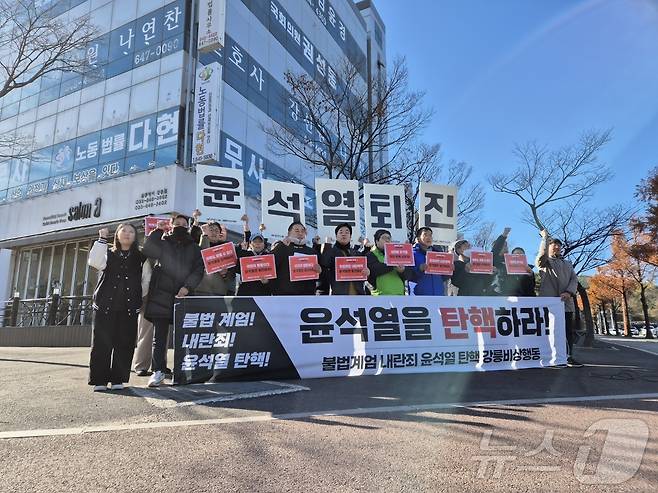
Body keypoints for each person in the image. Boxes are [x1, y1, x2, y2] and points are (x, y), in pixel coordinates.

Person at [143, 214, 204, 387]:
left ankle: (183, 371)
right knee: (159, 338)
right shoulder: (163, 242)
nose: (180, 226)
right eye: (177, 223)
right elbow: (148, 251)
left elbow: (198, 270)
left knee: (184, 337)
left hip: (183, 295)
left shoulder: (194, 247)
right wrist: (157, 231)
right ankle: (158, 371)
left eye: (184, 224)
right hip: (161, 295)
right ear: (171, 225)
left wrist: (188, 287)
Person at [87, 224, 151, 391]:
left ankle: (118, 379)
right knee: (102, 343)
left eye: (131, 232)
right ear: (117, 235)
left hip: (129, 307)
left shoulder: (141, 257)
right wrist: (102, 240)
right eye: (124, 231)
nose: (127, 234)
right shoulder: (108, 252)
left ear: (135, 237)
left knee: (125, 343)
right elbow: (95, 262)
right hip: (104, 305)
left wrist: (136, 296)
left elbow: (146, 280)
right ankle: (99, 380)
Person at [536, 229, 582, 368]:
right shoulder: (545, 262)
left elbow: (574, 279)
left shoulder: (568, 263)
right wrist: (544, 238)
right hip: (548, 304)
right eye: (553, 244)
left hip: (566, 303)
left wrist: (569, 292)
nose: (556, 247)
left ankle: (568, 357)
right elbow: (541, 257)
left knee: (568, 331)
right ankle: (548, 357)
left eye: (558, 245)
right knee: (549, 330)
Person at [270, 221, 322, 295]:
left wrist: (319, 271)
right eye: (297, 231)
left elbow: (321, 275)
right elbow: (270, 263)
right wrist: (281, 245)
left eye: (302, 231)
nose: (300, 233)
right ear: (289, 233)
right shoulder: (282, 248)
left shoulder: (311, 251)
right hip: (284, 295)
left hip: (307, 295)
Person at [318, 223, 369, 295]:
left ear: (350, 236)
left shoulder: (356, 253)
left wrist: (367, 272)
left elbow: (366, 267)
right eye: (341, 232)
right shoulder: (331, 251)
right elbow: (324, 263)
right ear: (336, 236)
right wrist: (327, 245)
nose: (344, 234)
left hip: (359, 296)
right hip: (339, 297)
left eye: (347, 232)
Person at [366, 229, 414, 296]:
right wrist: (392, 264)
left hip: (399, 296)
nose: (387, 240)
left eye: (389, 238)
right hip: (380, 296)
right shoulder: (371, 255)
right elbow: (374, 270)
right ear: (376, 241)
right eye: (383, 238)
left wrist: (402, 271)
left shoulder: (398, 254)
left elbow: (408, 275)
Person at [194, 221, 236, 296]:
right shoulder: (198, 245)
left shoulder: (226, 247)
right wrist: (204, 236)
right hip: (201, 290)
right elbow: (203, 255)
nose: (214, 233)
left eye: (216, 231)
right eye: (211, 230)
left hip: (218, 290)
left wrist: (226, 273)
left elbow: (233, 270)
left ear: (220, 233)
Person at [491, 228, 536, 297]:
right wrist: (503, 236)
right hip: (500, 296)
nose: (518, 256)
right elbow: (495, 251)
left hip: (520, 299)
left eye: (521, 255)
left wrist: (530, 276)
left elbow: (530, 288)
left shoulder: (528, 269)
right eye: (516, 254)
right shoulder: (501, 263)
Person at [411, 227, 449, 296]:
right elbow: (409, 275)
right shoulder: (412, 254)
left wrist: (449, 270)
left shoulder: (439, 254)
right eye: (425, 235)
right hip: (419, 296)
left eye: (430, 235)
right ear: (418, 238)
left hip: (439, 295)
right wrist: (419, 269)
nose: (428, 237)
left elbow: (443, 277)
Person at [236, 232, 273, 296]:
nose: (257, 244)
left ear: (264, 244)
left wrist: (267, 282)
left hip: (263, 295)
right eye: (255, 241)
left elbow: (274, 279)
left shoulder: (268, 257)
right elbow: (237, 270)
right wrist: (242, 252)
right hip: (245, 294)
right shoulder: (244, 255)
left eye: (260, 242)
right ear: (250, 244)